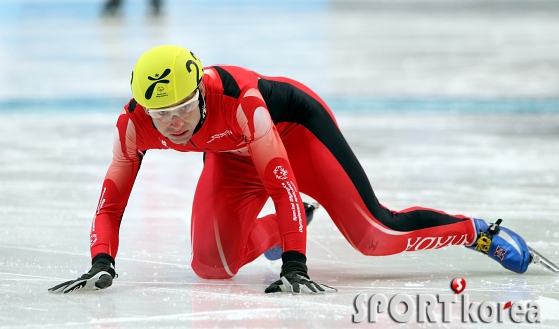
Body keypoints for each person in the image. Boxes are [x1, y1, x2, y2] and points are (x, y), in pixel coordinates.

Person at [49, 45, 537, 295]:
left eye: (183, 108)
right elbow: (110, 203)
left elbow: (279, 181)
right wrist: (101, 261)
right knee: (211, 266)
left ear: (201, 90)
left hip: (292, 134)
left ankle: (473, 231)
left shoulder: (243, 104)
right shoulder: (134, 127)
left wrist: (295, 267)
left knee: (374, 235)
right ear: (143, 111)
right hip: (231, 157)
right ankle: (283, 231)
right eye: (162, 116)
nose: (175, 126)